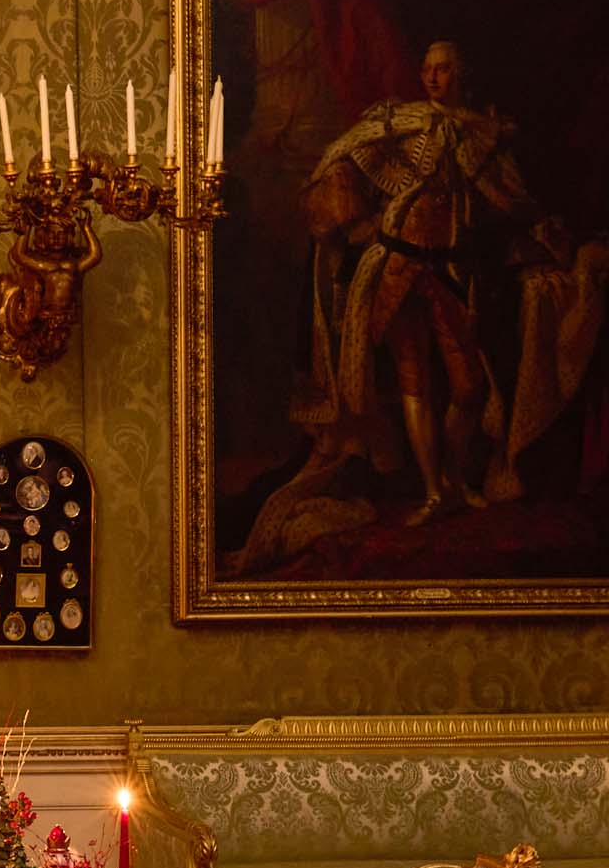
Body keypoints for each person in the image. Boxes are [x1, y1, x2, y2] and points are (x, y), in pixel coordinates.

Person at [239, 40, 567, 567]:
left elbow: (508, 198)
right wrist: (357, 220)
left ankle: (454, 480)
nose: (434, 77)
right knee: (415, 381)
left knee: (469, 388)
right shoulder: (399, 122)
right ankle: (434, 491)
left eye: (445, 69)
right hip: (395, 269)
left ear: (461, 74)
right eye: (428, 69)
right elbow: (338, 159)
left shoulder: (480, 134)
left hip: (452, 271)